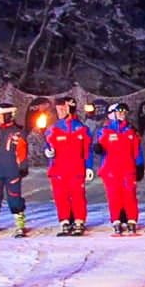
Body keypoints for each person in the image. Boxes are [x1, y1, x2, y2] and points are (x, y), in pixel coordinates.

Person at [89, 102, 144, 234]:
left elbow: (137, 150)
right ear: (112, 114)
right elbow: (100, 146)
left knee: (129, 194)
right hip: (111, 170)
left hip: (128, 168)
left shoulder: (130, 131)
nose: (122, 115)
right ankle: (116, 220)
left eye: (124, 112)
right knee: (114, 195)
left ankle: (131, 219)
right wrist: (98, 149)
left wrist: (140, 165)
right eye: (119, 112)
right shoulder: (105, 131)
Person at [45, 95, 92, 236]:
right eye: (58, 109)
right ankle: (64, 221)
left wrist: (88, 166)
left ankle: (79, 221)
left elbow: (87, 149)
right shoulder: (53, 129)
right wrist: (48, 153)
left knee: (78, 195)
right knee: (61, 196)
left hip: (76, 168)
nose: (59, 111)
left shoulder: (82, 129)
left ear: (70, 108)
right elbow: (48, 146)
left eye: (62, 108)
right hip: (58, 169)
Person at [0, 104, 29, 237]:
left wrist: (23, 166)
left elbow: (22, 150)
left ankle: (19, 223)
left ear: (7, 116)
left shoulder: (17, 132)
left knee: (14, 197)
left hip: (12, 171)